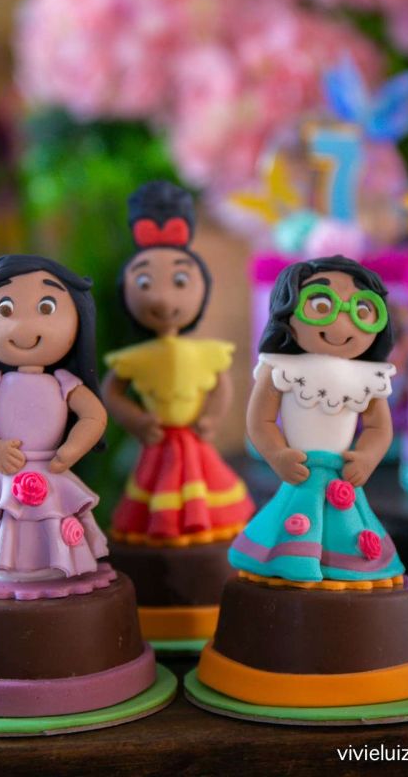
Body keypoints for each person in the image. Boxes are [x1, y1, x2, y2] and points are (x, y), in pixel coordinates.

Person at [229, 254, 405, 588]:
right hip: (300, 470)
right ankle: (290, 561)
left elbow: (379, 427)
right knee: (293, 522)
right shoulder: (280, 367)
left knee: (348, 534)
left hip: (341, 475)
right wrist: (277, 454)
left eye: (361, 310)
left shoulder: (369, 376)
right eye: (322, 304)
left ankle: (341, 565)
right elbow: (261, 420)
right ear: (288, 309)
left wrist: (366, 457)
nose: (341, 322)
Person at [103, 181, 254, 545]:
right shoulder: (137, 358)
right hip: (158, 442)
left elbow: (220, 384)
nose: (162, 298)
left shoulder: (204, 352)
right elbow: (111, 390)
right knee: (156, 498)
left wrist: (211, 417)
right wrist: (136, 419)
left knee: (205, 492)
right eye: (145, 282)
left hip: (193, 440)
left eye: (180, 280)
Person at [0, 254, 108, 581]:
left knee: (51, 518)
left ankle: (55, 563)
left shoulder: (64, 382)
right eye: (5, 310)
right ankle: (6, 565)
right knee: (7, 518)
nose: (24, 326)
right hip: (8, 470)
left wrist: (72, 448)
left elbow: (93, 416)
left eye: (46, 307)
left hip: (52, 468)